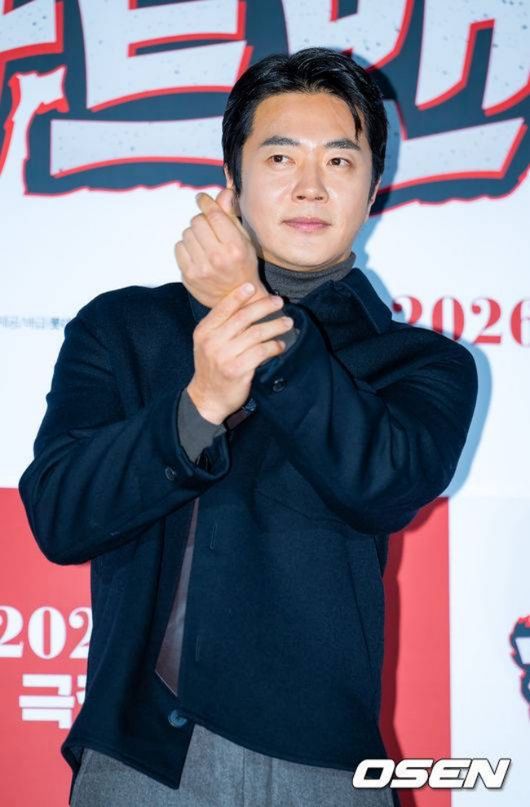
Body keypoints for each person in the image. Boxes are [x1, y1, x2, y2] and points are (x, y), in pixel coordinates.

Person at [18, 47, 478, 807]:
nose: (310, 185)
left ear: (373, 190)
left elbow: (383, 485)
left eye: (340, 160)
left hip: (328, 765)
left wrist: (256, 318)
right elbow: (61, 517)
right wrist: (198, 404)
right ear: (231, 180)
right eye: (280, 156)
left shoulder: (421, 363)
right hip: (145, 757)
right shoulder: (125, 328)